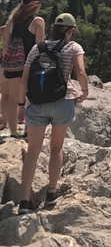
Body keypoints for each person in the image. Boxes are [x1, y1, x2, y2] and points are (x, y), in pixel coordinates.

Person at [17, 13, 88, 214]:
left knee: (32, 151)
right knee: (56, 148)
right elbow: (80, 73)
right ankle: (51, 192)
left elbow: (24, 80)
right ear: (70, 30)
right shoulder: (73, 47)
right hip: (62, 101)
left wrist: (21, 105)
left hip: (37, 103)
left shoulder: (37, 48)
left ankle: (24, 201)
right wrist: (85, 91)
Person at [2, 0, 46, 138]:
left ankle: (13, 131)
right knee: (29, 98)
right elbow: (39, 47)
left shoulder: (12, 22)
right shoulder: (37, 21)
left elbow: (6, 46)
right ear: (37, 4)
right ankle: (27, 130)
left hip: (13, 65)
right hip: (29, 65)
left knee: (12, 98)